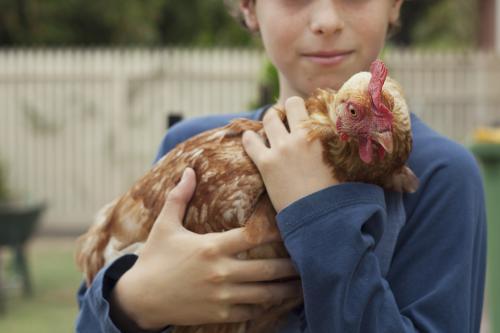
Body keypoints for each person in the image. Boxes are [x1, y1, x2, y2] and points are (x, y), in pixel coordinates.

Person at [76, 0, 487, 332]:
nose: (326, 19)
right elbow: (89, 314)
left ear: (394, 3)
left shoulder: (440, 175)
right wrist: (135, 303)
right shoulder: (191, 146)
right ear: (250, 7)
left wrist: (318, 211)